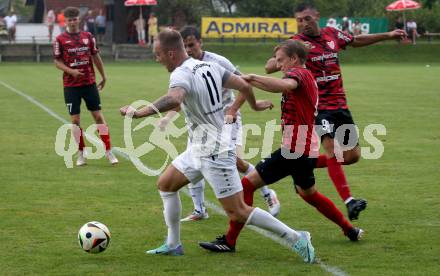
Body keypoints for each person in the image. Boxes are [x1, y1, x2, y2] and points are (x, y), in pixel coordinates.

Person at [119, 29, 315, 263]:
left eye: (158, 54)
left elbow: (174, 99)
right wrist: (252, 105)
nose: (157, 58)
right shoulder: (208, 66)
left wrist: (138, 112)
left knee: (238, 211)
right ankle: (173, 244)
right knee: (166, 185)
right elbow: (243, 85)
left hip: (215, 150)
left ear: (171, 53)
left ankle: (297, 238)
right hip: (199, 148)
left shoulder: (181, 73)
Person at [199, 40, 363, 253]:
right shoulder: (303, 76)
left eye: (281, 60)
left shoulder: (300, 75)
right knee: (309, 194)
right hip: (304, 148)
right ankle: (349, 229)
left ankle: (229, 240)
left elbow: (285, 86)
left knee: (247, 186)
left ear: (294, 59)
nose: (278, 65)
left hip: (294, 150)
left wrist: (250, 77)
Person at [264, 3, 407, 221]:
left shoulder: (332, 34)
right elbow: (269, 66)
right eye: (299, 20)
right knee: (331, 148)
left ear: (317, 17)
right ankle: (350, 202)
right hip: (317, 107)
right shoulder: (296, 42)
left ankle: (305, 163)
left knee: (351, 156)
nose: (303, 23)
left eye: (307, 19)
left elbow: (356, 40)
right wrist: (295, 53)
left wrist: (388, 34)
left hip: (340, 105)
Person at [158, 26, 280, 221]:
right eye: (186, 46)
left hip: (227, 120)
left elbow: (243, 85)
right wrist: (167, 118)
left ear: (201, 42)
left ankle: (267, 193)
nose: (189, 49)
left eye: (192, 45)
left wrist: (234, 109)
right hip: (203, 125)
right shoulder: (184, 68)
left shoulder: (217, 61)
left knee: (236, 162)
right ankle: (199, 209)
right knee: (192, 160)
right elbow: (187, 98)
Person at [53, 7, 118, 166]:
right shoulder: (60, 39)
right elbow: (57, 62)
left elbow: (96, 57)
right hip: (70, 86)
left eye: (75, 19)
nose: (73, 22)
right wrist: (71, 72)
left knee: (98, 117)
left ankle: (109, 151)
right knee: (75, 121)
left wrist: (104, 76)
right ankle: (81, 153)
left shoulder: (88, 36)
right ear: (66, 21)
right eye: (69, 20)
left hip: (89, 84)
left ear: (79, 19)